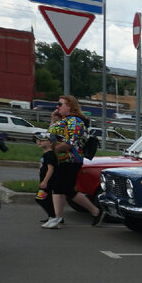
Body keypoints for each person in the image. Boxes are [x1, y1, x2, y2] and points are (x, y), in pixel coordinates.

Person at [44, 95, 103, 228]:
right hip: (63, 159)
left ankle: (58, 218)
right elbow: (49, 135)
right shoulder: (64, 120)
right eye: (57, 104)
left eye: (60, 104)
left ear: (70, 106)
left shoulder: (74, 121)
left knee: (61, 187)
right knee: (66, 189)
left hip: (72, 160)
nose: (57, 107)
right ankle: (94, 211)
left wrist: (52, 151)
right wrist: (53, 120)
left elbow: (70, 144)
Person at [34, 132, 60, 221]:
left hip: (48, 181)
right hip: (45, 181)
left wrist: (45, 181)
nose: (39, 142)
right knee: (47, 199)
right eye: (39, 140)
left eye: (42, 140)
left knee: (40, 198)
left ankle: (53, 217)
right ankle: (51, 217)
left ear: (50, 143)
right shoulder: (46, 154)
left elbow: (50, 169)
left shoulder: (49, 155)